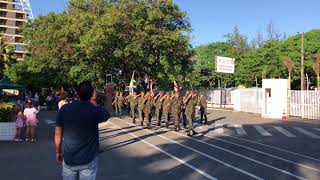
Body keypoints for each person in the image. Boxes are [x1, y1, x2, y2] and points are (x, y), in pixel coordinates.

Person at [55, 81, 110, 180]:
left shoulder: (65, 109)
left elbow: (58, 134)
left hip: (69, 158)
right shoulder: (94, 110)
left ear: (77, 93)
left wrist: (58, 152)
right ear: (92, 94)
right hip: (88, 160)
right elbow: (107, 112)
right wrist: (109, 94)